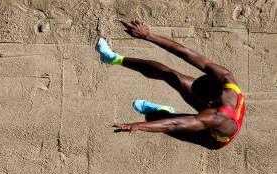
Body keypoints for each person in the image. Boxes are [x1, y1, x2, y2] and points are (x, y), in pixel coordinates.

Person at [97, 20, 246, 149]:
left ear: (208, 103)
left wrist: (137, 126)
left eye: (195, 94)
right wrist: (148, 35)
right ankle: (113, 59)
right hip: (216, 107)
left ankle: (162, 110)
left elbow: (174, 124)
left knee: (154, 118)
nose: (188, 92)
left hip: (209, 137)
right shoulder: (225, 77)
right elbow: (184, 52)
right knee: (172, 76)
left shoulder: (217, 118)